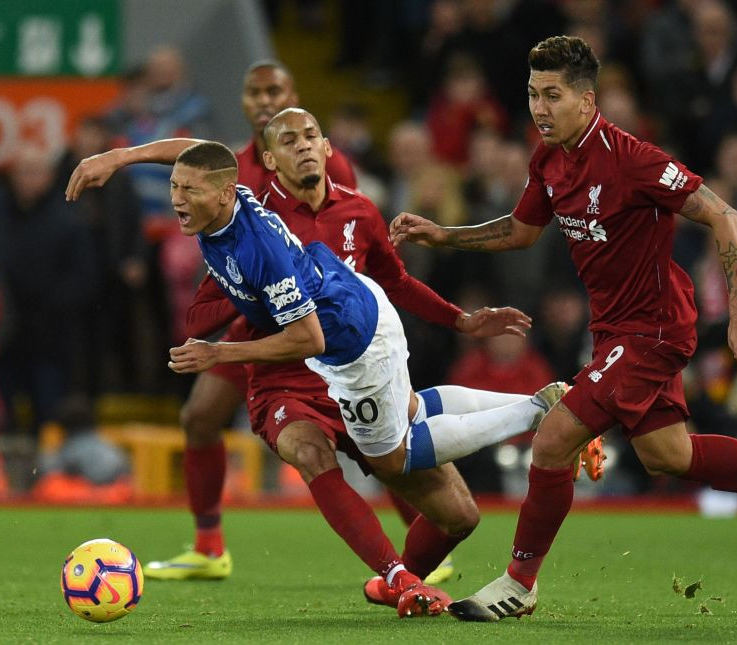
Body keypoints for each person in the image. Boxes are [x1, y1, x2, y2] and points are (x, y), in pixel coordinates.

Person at [390, 35, 737, 622]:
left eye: (552, 95)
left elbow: (725, 215)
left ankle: (519, 581)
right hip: (616, 331)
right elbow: (522, 230)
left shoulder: (633, 160)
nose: (539, 107)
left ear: (587, 101)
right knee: (668, 455)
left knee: (554, 439)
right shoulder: (549, 158)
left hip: (652, 329)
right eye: (533, 94)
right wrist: (444, 235)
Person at [66, 115, 577, 618]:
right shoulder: (234, 193)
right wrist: (121, 157)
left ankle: (537, 412)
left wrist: (219, 351)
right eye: (288, 140)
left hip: (346, 345)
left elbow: (330, 319)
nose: (177, 197)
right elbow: (201, 155)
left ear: (329, 148)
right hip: (295, 372)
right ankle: (397, 581)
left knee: (446, 506)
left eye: (310, 136)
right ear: (265, 161)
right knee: (315, 448)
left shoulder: (316, 223)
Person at [65, 61, 451, 586]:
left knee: (369, 439)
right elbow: (187, 152)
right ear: (246, 106)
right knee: (200, 416)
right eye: (255, 92)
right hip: (259, 326)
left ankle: (426, 545)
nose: (266, 100)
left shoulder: (330, 176)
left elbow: (356, 247)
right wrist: (123, 156)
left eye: (277, 91)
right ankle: (208, 548)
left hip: (321, 328)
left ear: (296, 98)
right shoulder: (236, 171)